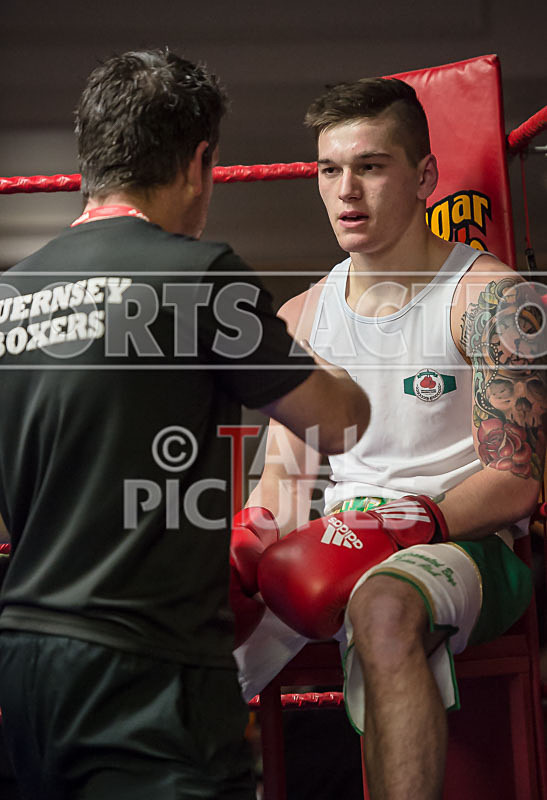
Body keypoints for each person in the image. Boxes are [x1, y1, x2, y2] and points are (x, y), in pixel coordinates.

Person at [0, 50, 371, 800]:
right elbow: (336, 423)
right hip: (146, 671)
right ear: (199, 162)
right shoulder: (197, 275)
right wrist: (305, 341)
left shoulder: (8, 294)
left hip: (24, 669)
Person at [235, 77, 547, 799]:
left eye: (370, 166)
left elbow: (517, 479)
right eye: (329, 169)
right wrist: (252, 538)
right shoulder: (303, 317)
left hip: (463, 544)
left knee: (382, 605)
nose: (347, 190)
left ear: (424, 176)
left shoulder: (493, 300)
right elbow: (282, 479)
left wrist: (418, 520)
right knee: (180, 628)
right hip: (337, 543)